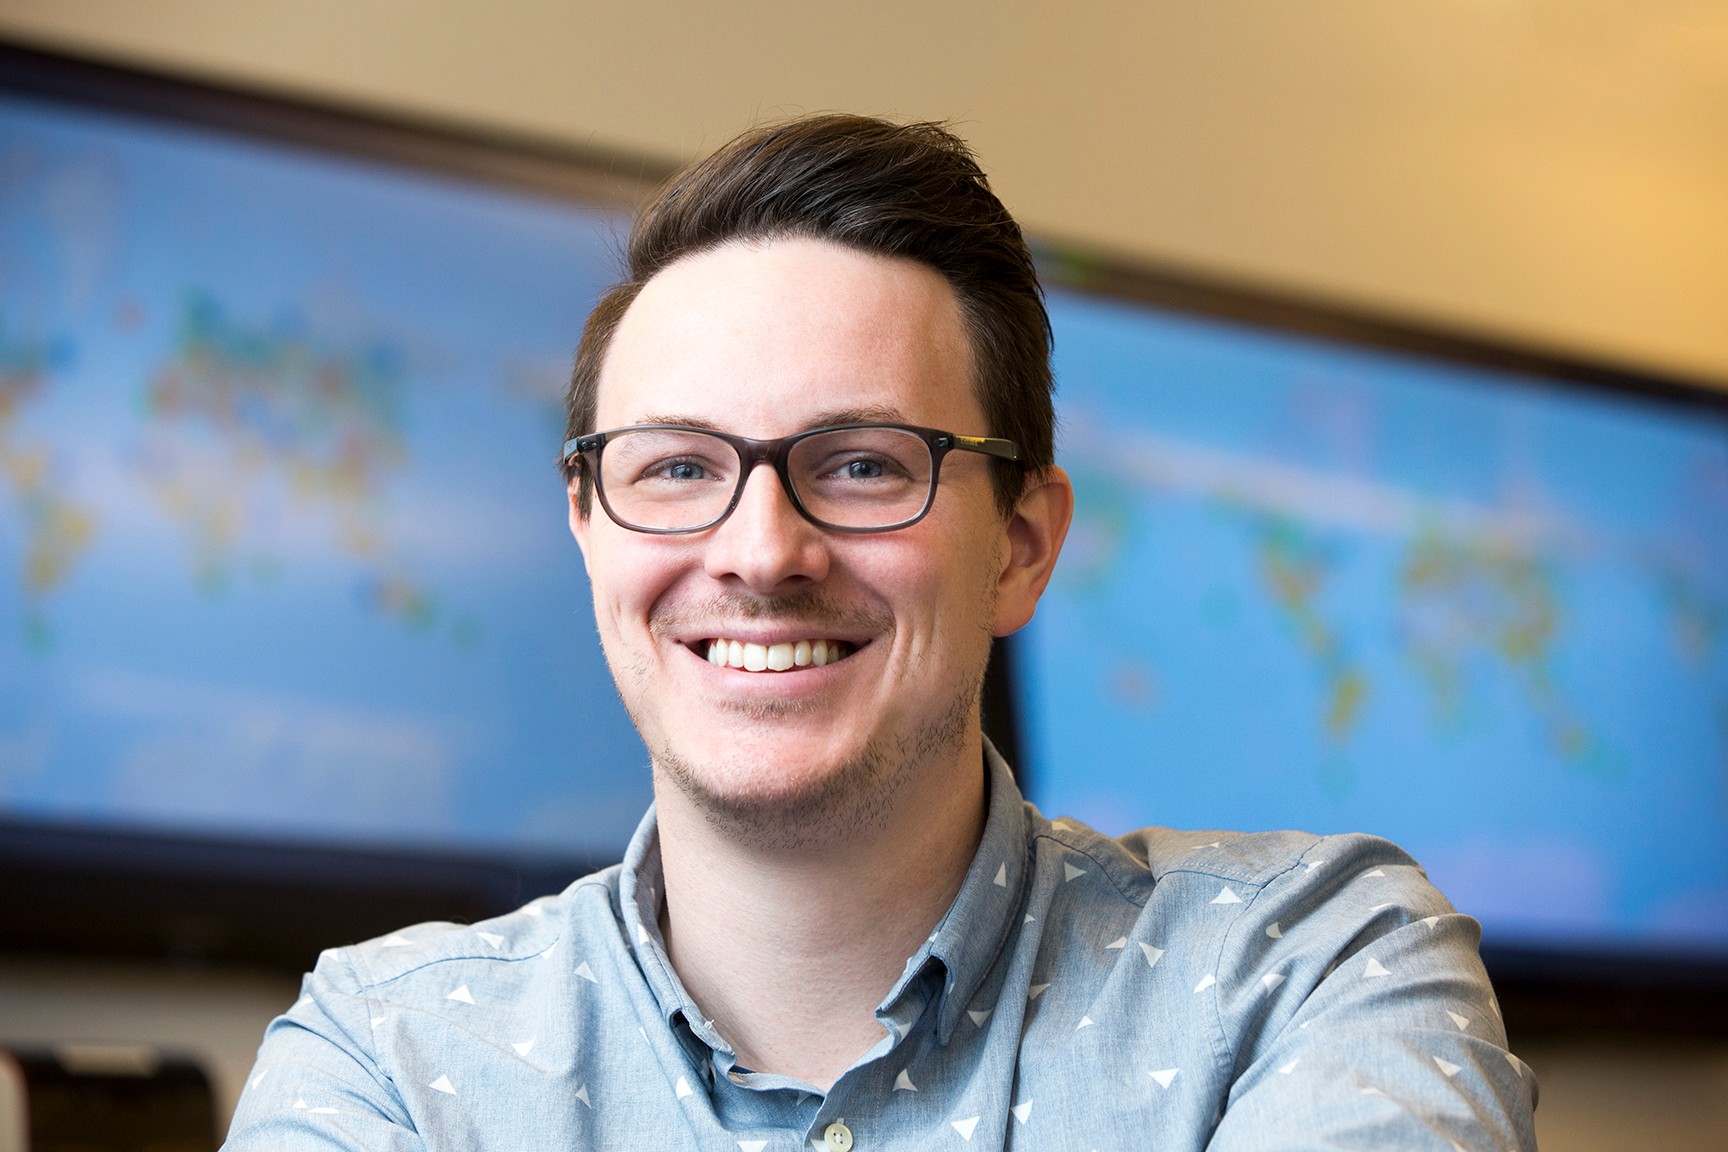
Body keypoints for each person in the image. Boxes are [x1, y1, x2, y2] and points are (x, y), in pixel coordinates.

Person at [224, 114, 1538, 1150]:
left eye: (859, 464)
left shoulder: (1307, 972)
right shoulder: (385, 1053)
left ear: (1021, 544)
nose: (760, 551)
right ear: (588, 529)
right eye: (677, 467)